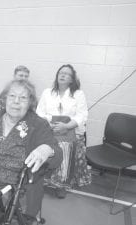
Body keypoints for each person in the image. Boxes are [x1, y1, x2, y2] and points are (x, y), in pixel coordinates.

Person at [0, 79, 62, 221]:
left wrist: (48, 149)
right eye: (12, 96)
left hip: (15, 194)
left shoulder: (38, 125)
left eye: (23, 98)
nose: (16, 101)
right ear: (5, 98)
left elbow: (57, 157)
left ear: (30, 102)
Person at [36, 64, 91, 198]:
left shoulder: (78, 94)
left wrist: (66, 126)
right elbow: (39, 112)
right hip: (49, 128)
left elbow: (82, 115)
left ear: (72, 79)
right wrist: (49, 124)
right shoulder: (47, 92)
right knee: (46, 152)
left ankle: (62, 185)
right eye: (61, 72)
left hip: (69, 130)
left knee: (65, 155)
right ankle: (43, 181)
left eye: (67, 74)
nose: (63, 75)